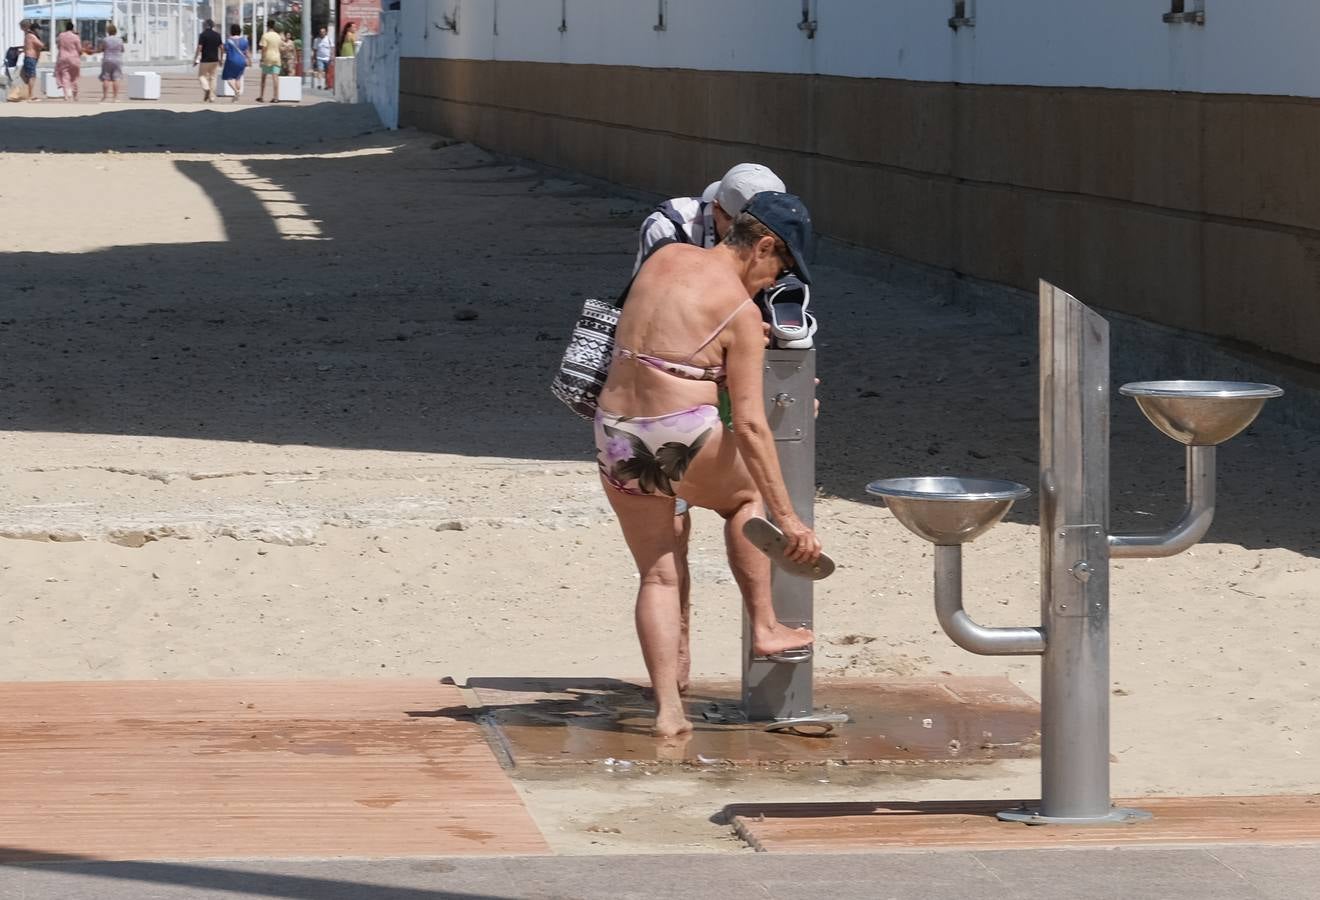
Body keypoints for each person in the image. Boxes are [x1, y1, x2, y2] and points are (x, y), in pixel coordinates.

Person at [596, 192, 822, 738]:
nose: (775, 281)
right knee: (746, 498)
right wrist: (789, 520)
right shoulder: (742, 314)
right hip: (681, 432)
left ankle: (668, 712)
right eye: (781, 267)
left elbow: (668, 337)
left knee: (657, 574)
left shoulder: (664, 257)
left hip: (615, 433)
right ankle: (766, 626)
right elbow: (750, 425)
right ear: (763, 246)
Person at [629, 162, 788, 695]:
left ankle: (671, 703)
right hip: (676, 396)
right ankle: (694, 650)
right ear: (718, 211)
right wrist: (790, 519)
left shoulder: (755, 243)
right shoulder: (669, 229)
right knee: (706, 514)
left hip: (663, 406)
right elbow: (656, 312)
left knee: (664, 560)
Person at [14, 19, 44, 102]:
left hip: (29, 58)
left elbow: (27, 46)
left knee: (26, 75)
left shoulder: (27, 35)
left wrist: (21, 50)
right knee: (31, 77)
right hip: (31, 58)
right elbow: (41, 45)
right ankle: (30, 95)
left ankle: (27, 93)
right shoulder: (31, 35)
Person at [194, 19, 223, 102]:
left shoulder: (202, 35)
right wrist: (221, 59)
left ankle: (206, 88)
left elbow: (200, 47)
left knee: (201, 76)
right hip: (215, 60)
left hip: (205, 59)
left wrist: (196, 58)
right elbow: (222, 47)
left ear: (205, 25)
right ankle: (212, 97)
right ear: (213, 25)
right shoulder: (217, 35)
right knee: (213, 78)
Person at [220, 24, 249, 102]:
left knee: (228, 78)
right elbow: (246, 52)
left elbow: (224, 49)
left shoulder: (228, 40)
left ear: (231, 31)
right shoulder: (244, 40)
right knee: (238, 78)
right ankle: (237, 95)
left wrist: (221, 58)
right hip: (241, 60)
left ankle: (236, 91)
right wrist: (249, 60)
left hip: (231, 60)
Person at [54, 21, 82, 101]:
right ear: (73, 28)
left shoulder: (61, 35)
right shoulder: (75, 37)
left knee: (65, 77)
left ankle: (66, 95)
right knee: (74, 77)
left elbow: (58, 46)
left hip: (63, 57)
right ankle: (75, 95)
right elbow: (79, 49)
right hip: (74, 58)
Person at [98, 23, 124, 101]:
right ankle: (115, 97)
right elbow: (122, 50)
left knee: (106, 78)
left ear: (108, 31)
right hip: (117, 60)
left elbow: (101, 49)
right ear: (115, 31)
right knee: (116, 78)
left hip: (107, 60)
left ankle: (105, 97)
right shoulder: (120, 40)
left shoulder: (105, 40)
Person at [256, 25, 282, 102]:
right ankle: (276, 97)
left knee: (264, 77)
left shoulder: (265, 36)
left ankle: (261, 96)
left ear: (267, 26)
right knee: (275, 78)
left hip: (267, 58)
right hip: (277, 58)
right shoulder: (278, 36)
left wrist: (262, 59)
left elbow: (264, 48)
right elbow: (280, 47)